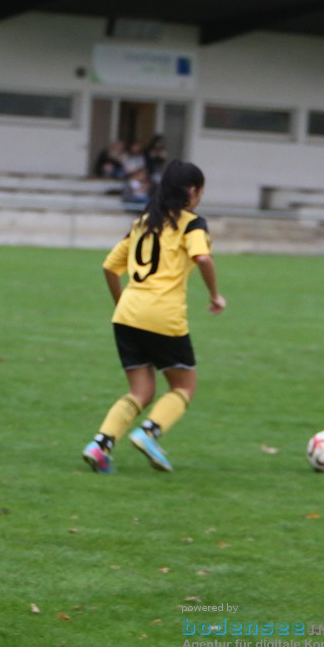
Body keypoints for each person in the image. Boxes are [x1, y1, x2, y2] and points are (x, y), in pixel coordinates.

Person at [82, 160, 226, 474]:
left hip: (127, 315)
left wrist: (122, 303)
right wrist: (215, 295)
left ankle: (100, 445)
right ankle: (148, 433)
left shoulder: (142, 223)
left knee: (141, 391)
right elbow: (203, 258)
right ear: (191, 191)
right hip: (163, 316)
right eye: (200, 191)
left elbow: (109, 266)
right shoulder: (192, 223)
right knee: (184, 387)